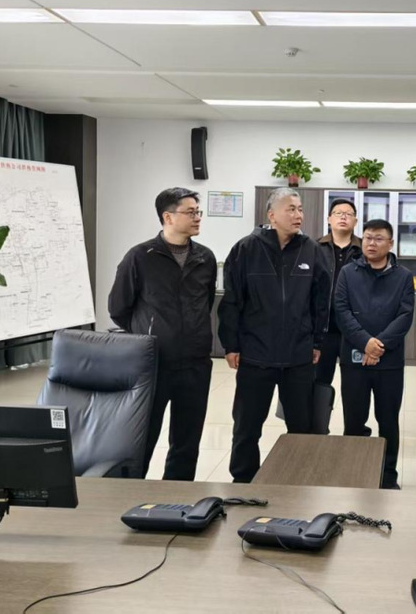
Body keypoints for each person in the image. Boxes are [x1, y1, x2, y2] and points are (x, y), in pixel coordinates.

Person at [219, 187, 331, 483]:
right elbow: (232, 301)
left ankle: (298, 479)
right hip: (256, 354)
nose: (298, 215)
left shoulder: (311, 250)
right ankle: (243, 480)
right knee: (246, 427)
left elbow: (321, 301)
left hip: (298, 355)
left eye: (300, 209)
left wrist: (317, 341)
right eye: (290, 209)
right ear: (272, 215)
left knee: (301, 427)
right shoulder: (246, 249)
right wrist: (231, 344)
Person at [108, 187, 217, 480]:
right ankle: (130, 494)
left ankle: (176, 496)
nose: (197, 217)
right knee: (142, 438)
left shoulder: (205, 258)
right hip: (153, 364)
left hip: (195, 363)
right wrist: (150, 333)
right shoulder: (140, 257)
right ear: (167, 217)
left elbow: (206, 302)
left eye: (198, 212)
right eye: (190, 212)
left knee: (187, 441)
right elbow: (118, 308)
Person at [333, 218, 415, 490]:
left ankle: (388, 475)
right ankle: (354, 473)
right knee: (354, 420)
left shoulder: (403, 276)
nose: (372, 243)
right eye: (368, 237)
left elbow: (405, 315)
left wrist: (378, 345)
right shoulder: (348, 273)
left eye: (379, 238)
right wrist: (365, 342)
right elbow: (341, 311)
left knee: (388, 421)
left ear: (390, 244)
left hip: (389, 361)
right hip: (354, 359)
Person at [316, 198, 362, 392]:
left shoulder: (364, 250)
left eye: (348, 214)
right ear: (329, 219)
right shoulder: (314, 248)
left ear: (355, 221)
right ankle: (319, 415)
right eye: (338, 213)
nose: (343, 217)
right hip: (322, 331)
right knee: (318, 383)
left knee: (355, 385)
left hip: (354, 330)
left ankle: (353, 416)